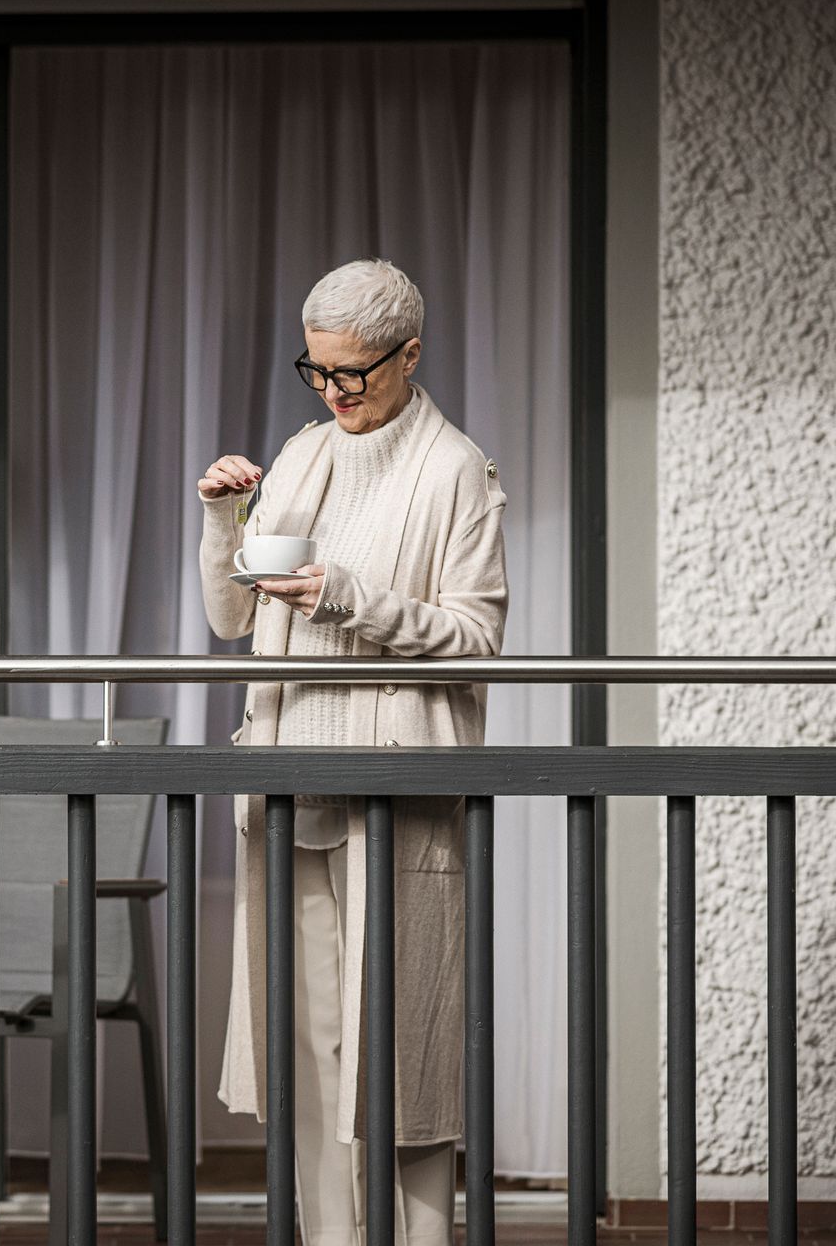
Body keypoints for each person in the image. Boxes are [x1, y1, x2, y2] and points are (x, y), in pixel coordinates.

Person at [197, 258, 507, 1246]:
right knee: (311, 1051)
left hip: (398, 786)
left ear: (410, 355)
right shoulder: (301, 453)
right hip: (290, 782)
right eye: (318, 370)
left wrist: (347, 598)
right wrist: (222, 517)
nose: (335, 392)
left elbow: (476, 635)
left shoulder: (455, 466)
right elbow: (230, 615)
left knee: (404, 1053)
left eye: (355, 374)